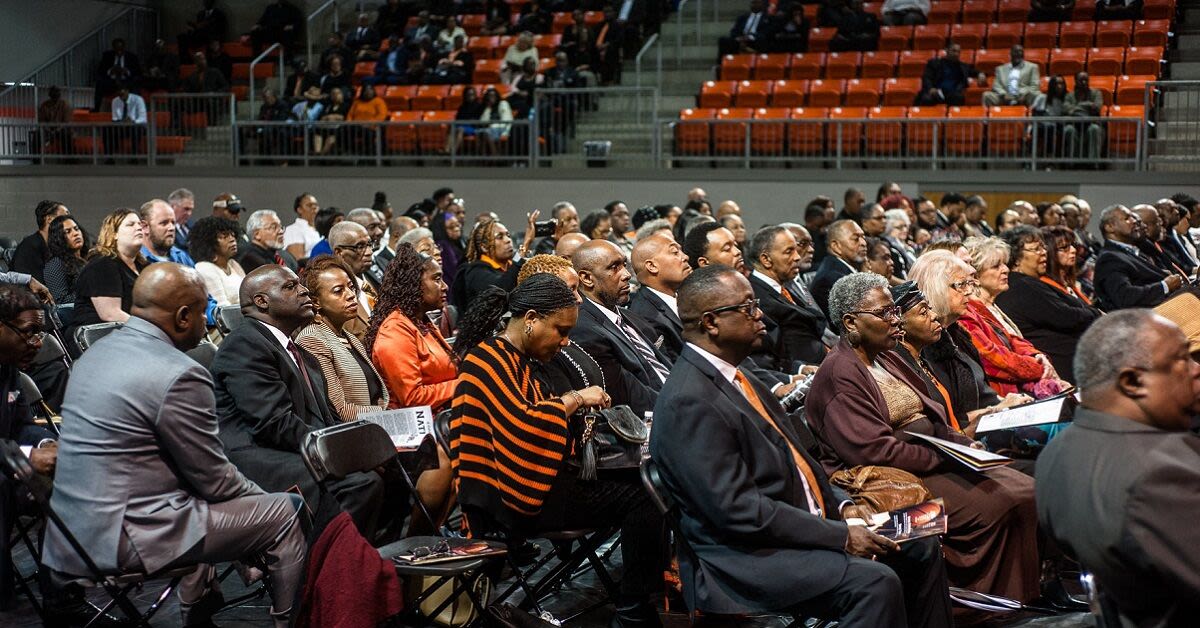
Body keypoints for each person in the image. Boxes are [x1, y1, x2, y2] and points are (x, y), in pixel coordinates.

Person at [651, 265, 954, 628]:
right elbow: (739, 512)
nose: (760, 313)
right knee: (873, 583)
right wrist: (841, 535)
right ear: (711, 322)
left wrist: (843, 507)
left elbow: (802, 463)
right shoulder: (690, 400)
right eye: (748, 308)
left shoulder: (738, 375)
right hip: (747, 556)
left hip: (799, 525)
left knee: (921, 537)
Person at [42, 264, 305, 628]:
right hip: (129, 535)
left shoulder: (92, 355)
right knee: (286, 510)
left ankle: (199, 613)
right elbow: (216, 481)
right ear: (184, 317)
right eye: (203, 309)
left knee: (202, 502)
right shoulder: (181, 372)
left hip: (69, 530)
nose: (207, 318)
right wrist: (258, 508)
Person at [806, 272, 1041, 602]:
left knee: (1028, 490)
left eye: (895, 310)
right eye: (885, 312)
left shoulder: (886, 355)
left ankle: (1023, 597)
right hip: (892, 478)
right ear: (850, 322)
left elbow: (933, 414)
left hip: (930, 458)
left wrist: (960, 445)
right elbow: (872, 451)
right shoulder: (839, 372)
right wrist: (945, 456)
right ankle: (979, 606)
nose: (895, 319)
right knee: (999, 502)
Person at [450, 273, 665, 627]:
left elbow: (534, 418)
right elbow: (525, 426)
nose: (565, 342)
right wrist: (575, 400)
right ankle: (633, 609)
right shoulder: (486, 362)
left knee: (648, 479)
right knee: (645, 495)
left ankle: (639, 599)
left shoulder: (515, 359)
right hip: (506, 498)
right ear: (531, 320)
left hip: (535, 478)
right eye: (561, 331)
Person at [1037, 309, 1200, 627]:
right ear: (1133, 381)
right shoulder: (1160, 475)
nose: (1197, 369)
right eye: (1183, 360)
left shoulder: (1054, 456)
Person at [210, 265, 389, 539]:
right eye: (290, 286)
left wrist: (362, 445)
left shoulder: (302, 353)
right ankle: (325, 572)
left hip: (299, 448)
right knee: (362, 484)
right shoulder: (244, 344)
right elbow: (273, 424)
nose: (304, 291)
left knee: (392, 465)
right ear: (261, 301)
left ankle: (374, 564)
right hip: (259, 459)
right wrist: (342, 451)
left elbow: (328, 417)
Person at [364, 245, 457, 530]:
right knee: (446, 459)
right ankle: (420, 541)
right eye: (437, 279)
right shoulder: (396, 329)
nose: (445, 286)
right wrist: (464, 385)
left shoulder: (422, 322)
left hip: (437, 418)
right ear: (414, 284)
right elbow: (413, 398)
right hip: (402, 426)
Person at [570, 240, 671, 416]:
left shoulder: (627, 316)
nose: (626, 274)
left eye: (624, 265)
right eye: (614, 267)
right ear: (586, 278)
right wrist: (685, 407)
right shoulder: (584, 329)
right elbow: (632, 396)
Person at [961, 237, 1066, 396]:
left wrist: (1037, 355)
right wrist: (1038, 368)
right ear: (975, 276)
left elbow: (1014, 340)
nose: (1006, 269)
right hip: (1004, 395)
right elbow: (994, 359)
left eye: (1004, 263)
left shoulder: (992, 306)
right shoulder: (969, 310)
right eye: (996, 266)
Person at [995, 226, 1101, 381]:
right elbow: (1068, 317)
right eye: (1036, 249)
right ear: (1017, 258)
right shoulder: (1023, 286)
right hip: (1067, 373)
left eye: (1043, 247)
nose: (1044, 252)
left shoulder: (1027, 283)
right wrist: (1097, 313)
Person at [294, 255, 388, 423]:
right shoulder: (312, 339)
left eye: (351, 287)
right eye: (339, 291)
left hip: (375, 425)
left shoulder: (348, 336)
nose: (351, 295)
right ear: (316, 302)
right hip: (354, 435)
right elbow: (341, 411)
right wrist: (388, 413)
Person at [66, 209, 148, 348]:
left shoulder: (143, 266)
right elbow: (110, 314)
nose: (138, 227)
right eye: (130, 224)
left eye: (139, 224)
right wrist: (152, 330)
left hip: (128, 334)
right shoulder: (103, 265)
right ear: (114, 234)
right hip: (98, 339)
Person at [748, 226, 827, 369]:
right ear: (766, 259)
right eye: (789, 251)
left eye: (796, 250)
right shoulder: (757, 298)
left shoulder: (783, 288)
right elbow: (777, 355)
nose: (797, 257)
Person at [1094, 204, 1181, 310]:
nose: (1134, 221)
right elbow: (1125, 297)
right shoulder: (1109, 259)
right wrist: (1164, 285)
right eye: (1127, 218)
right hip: (1141, 319)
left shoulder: (1138, 248)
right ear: (1109, 227)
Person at [628, 232, 693, 362]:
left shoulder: (688, 296)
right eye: (675, 252)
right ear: (652, 266)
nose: (685, 257)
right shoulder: (645, 317)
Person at [450, 215, 537, 310]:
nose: (508, 240)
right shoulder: (475, 272)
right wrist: (525, 246)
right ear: (484, 246)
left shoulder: (512, 266)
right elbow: (501, 290)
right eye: (500, 237)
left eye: (508, 235)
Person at [810, 219, 867, 317]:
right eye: (856, 239)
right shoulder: (830, 279)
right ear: (836, 246)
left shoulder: (843, 269)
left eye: (863, 237)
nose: (863, 243)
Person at [190, 217, 245, 307]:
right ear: (209, 242)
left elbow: (249, 294)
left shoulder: (233, 264)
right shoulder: (204, 268)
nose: (232, 239)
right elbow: (221, 308)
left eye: (232, 234)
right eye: (224, 236)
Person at [12, 200, 70, 283]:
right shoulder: (29, 246)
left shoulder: (58, 246)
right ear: (49, 219)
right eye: (65, 216)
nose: (70, 221)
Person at [43, 215, 89, 305]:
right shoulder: (55, 264)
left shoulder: (91, 258)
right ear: (58, 238)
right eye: (67, 232)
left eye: (76, 229)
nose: (75, 233)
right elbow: (61, 301)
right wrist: (92, 293)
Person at [917, 42, 980, 106]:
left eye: (958, 52)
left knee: (959, 98)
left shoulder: (963, 66)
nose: (956, 54)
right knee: (926, 99)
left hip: (952, 93)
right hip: (936, 91)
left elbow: (975, 72)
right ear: (947, 50)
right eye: (954, 51)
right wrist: (931, 88)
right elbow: (927, 77)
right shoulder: (935, 63)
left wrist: (981, 74)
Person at [138, 198, 195, 267]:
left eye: (173, 223)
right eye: (164, 223)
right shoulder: (135, 259)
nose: (171, 228)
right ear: (145, 227)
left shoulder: (182, 257)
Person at [1063, 72, 1104, 160]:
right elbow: (1068, 110)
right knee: (1069, 130)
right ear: (1076, 81)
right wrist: (1088, 105)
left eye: (1086, 80)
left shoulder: (1096, 93)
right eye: (1081, 80)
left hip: (1091, 123)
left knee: (1094, 129)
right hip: (1074, 124)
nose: (1084, 82)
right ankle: (1072, 162)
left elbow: (1097, 107)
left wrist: (1076, 108)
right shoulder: (1069, 96)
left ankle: (1093, 163)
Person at [283, 192, 321, 260]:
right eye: (309, 205)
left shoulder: (320, 229)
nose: (314, 207)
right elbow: (298, 261)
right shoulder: (293, 230)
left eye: (316, 205)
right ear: (299, 210)